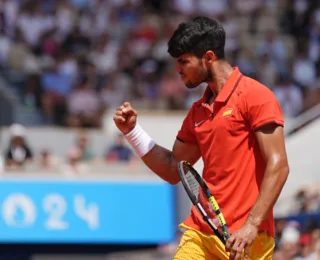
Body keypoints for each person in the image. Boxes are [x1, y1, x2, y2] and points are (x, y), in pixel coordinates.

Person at [113, 16, 289, 260]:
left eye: (184, 61)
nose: (177, 69)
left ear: (208, 58)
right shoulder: (197, 112)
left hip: (249, 238)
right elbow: (173, 169)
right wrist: (132, 132)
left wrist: (251, 225)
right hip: (201, 232)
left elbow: (278, 166)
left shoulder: (256, 96)